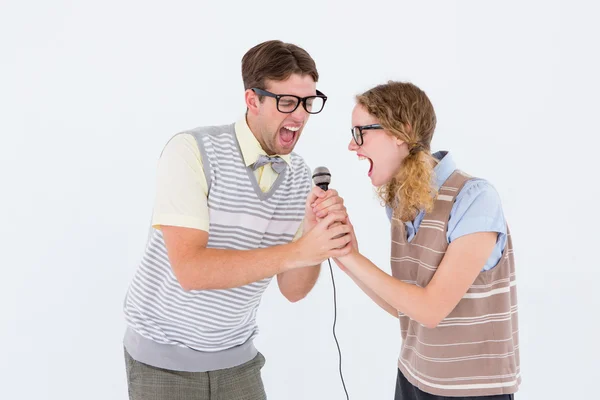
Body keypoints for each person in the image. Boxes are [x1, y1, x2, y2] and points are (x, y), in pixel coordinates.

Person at [122, 40, 352, 400]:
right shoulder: (191, 151)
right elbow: (191, 271)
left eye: (309, 102)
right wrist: (298, 251)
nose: (301, 115)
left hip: (238, 360)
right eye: (287, 102)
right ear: (252, 99)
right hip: (162, 362)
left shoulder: (298, 176)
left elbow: (293, 290)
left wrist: (314, 236)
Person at [316, 81, 520, 399]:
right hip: (414, 377)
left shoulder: (475, 198)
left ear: (401, 133)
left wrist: (355, 261)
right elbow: (405, 308)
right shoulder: (400, 203)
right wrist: (347, 256)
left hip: (470, 390)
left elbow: (430, 309)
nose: (352, 147)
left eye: (360, 133)